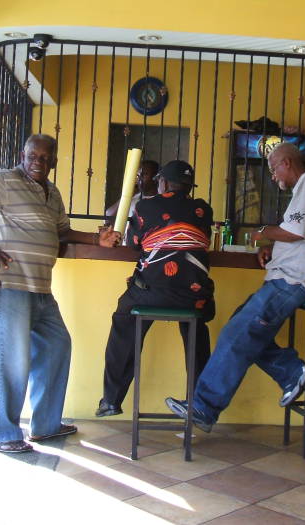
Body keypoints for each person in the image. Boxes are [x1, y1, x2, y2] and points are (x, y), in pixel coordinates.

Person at [0, 134, 121, 453]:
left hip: (42, 287)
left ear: (54, 161)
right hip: (11, 284)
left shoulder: (52, 192)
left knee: (57, 345)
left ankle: (44, 426)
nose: (38, 162)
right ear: (23, 155)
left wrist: (97, 239)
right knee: (11, 361)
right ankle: (2, 434)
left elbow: (61, 232)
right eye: (33, 156)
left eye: (45, 158)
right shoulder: (6, 180)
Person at [165, 142, 305, 432]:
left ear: (287, 162)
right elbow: (298, 235)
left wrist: (263, 233)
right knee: (241, 328)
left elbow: (296, 232)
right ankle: (293, 372)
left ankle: (204, 407)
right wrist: (272, 246)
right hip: (289, 275)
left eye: (272, 169)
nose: (272, 176)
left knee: (238, 333)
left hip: (294, 279)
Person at [96, 160, 215, 417]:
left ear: (162, 183)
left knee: (124, 320)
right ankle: (200, 403)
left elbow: (135, 244)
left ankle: (111, 400)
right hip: (194, 297)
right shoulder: (204, 209)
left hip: (151, 293)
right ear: (188, 186)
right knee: (198, 328)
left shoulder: (146, 206)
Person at [105, 160, 159, 242]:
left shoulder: (160, 200)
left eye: (144, 174)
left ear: (155, 177)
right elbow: (109, 215)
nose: (140, 178)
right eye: (138, 175)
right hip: (127, 247)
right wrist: (126, 196)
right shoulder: (132, 198)